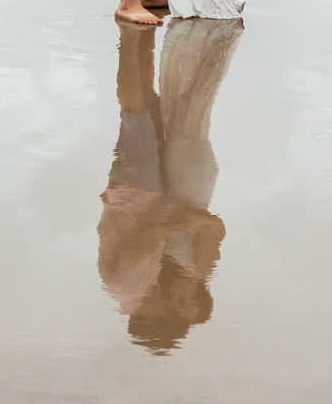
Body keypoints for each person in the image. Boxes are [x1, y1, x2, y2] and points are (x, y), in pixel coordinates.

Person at [98, 18, 243, 353]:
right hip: (180, 181)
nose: (176, 300)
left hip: (147, 192)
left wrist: (172, 219)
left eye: (176, 307)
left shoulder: (137, 286)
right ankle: (145, 39)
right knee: (175, 105)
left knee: (143, 114)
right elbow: (212, 227)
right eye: (185, 302)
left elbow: (145, 237)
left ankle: (136, 41)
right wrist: (189, 219)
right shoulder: (194, 270)